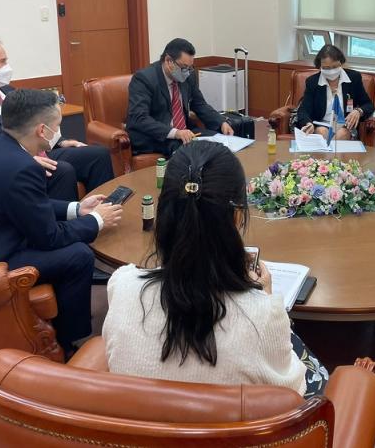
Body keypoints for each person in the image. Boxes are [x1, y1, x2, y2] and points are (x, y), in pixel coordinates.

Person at [102, 141, 328, 398]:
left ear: (163, 214)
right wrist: (265, 298)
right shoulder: (263, 315)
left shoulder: (121, 286)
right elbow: (292, 395)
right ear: (237, 218)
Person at [0, 89, 123, 354]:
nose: (59, 132)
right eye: (57, 126)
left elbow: (24, 204)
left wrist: (77, 209)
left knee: (71, 248)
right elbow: (50, 238)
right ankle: (73, 341)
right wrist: (96, 221)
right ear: (42, 130)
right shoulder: (20, 166)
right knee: (78, 255)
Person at [0, 35, 114, 202]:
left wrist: (61, 142)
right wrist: (20, 161)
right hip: (3, 168)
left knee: (97, 155)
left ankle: (105, 214)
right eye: (1, 62)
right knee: (62, 170)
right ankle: (65, 231)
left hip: (37, 154)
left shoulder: (8, 91)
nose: (7, 67)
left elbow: (35, 123)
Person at [126, 38, 234, 158]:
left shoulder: (188, 76)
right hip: (155, 136)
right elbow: (139, 118)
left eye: (190, 68)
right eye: (183, 67)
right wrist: (175, 133)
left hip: (184, 131)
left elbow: (199, 105)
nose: (187, 72)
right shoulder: (144, 79)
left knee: (218, 142)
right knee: (187, 149)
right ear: (168, 61)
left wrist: (221, 121)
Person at [296, 44, 375, 141]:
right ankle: (330, 156)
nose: (331, 71)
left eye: (334, 66)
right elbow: (303, 110)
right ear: (319, 66)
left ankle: (328, 156)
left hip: (346, 127)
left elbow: (368, 105)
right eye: (326, 68)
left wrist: (358, 111)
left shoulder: (354, 78)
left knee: (342, 134)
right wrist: (308, 123)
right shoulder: (313, 82)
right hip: (321, 125)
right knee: (322, 132)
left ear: (341, 63)